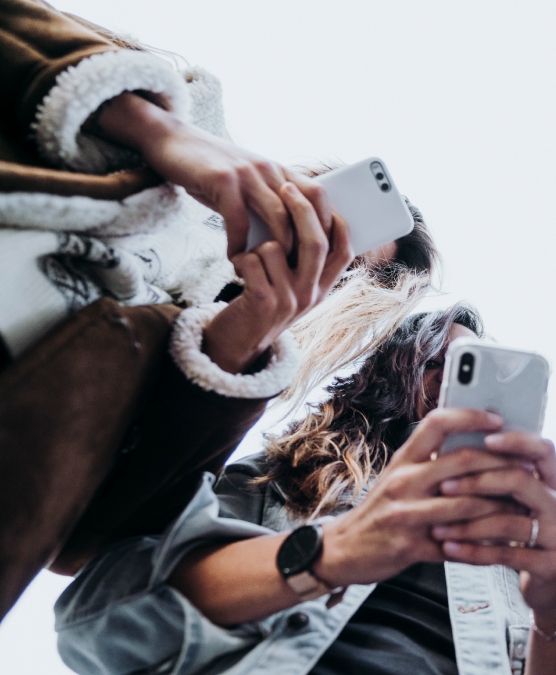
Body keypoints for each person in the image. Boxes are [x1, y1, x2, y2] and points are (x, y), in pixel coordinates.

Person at [0, 0, 435, 618]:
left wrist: (245, 336)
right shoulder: (183, 108)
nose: (323, 258)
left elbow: (85, 545)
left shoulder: (224, 370)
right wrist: (159, 132)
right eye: (332, 228)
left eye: (350, 272)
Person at [55, 304, 556, 675]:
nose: (449, 388)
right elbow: (97, 618)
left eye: (469, 373)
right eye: (437, 364)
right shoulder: (286, 476)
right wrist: (332, 550)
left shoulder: (523, 554)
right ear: (392, 374)